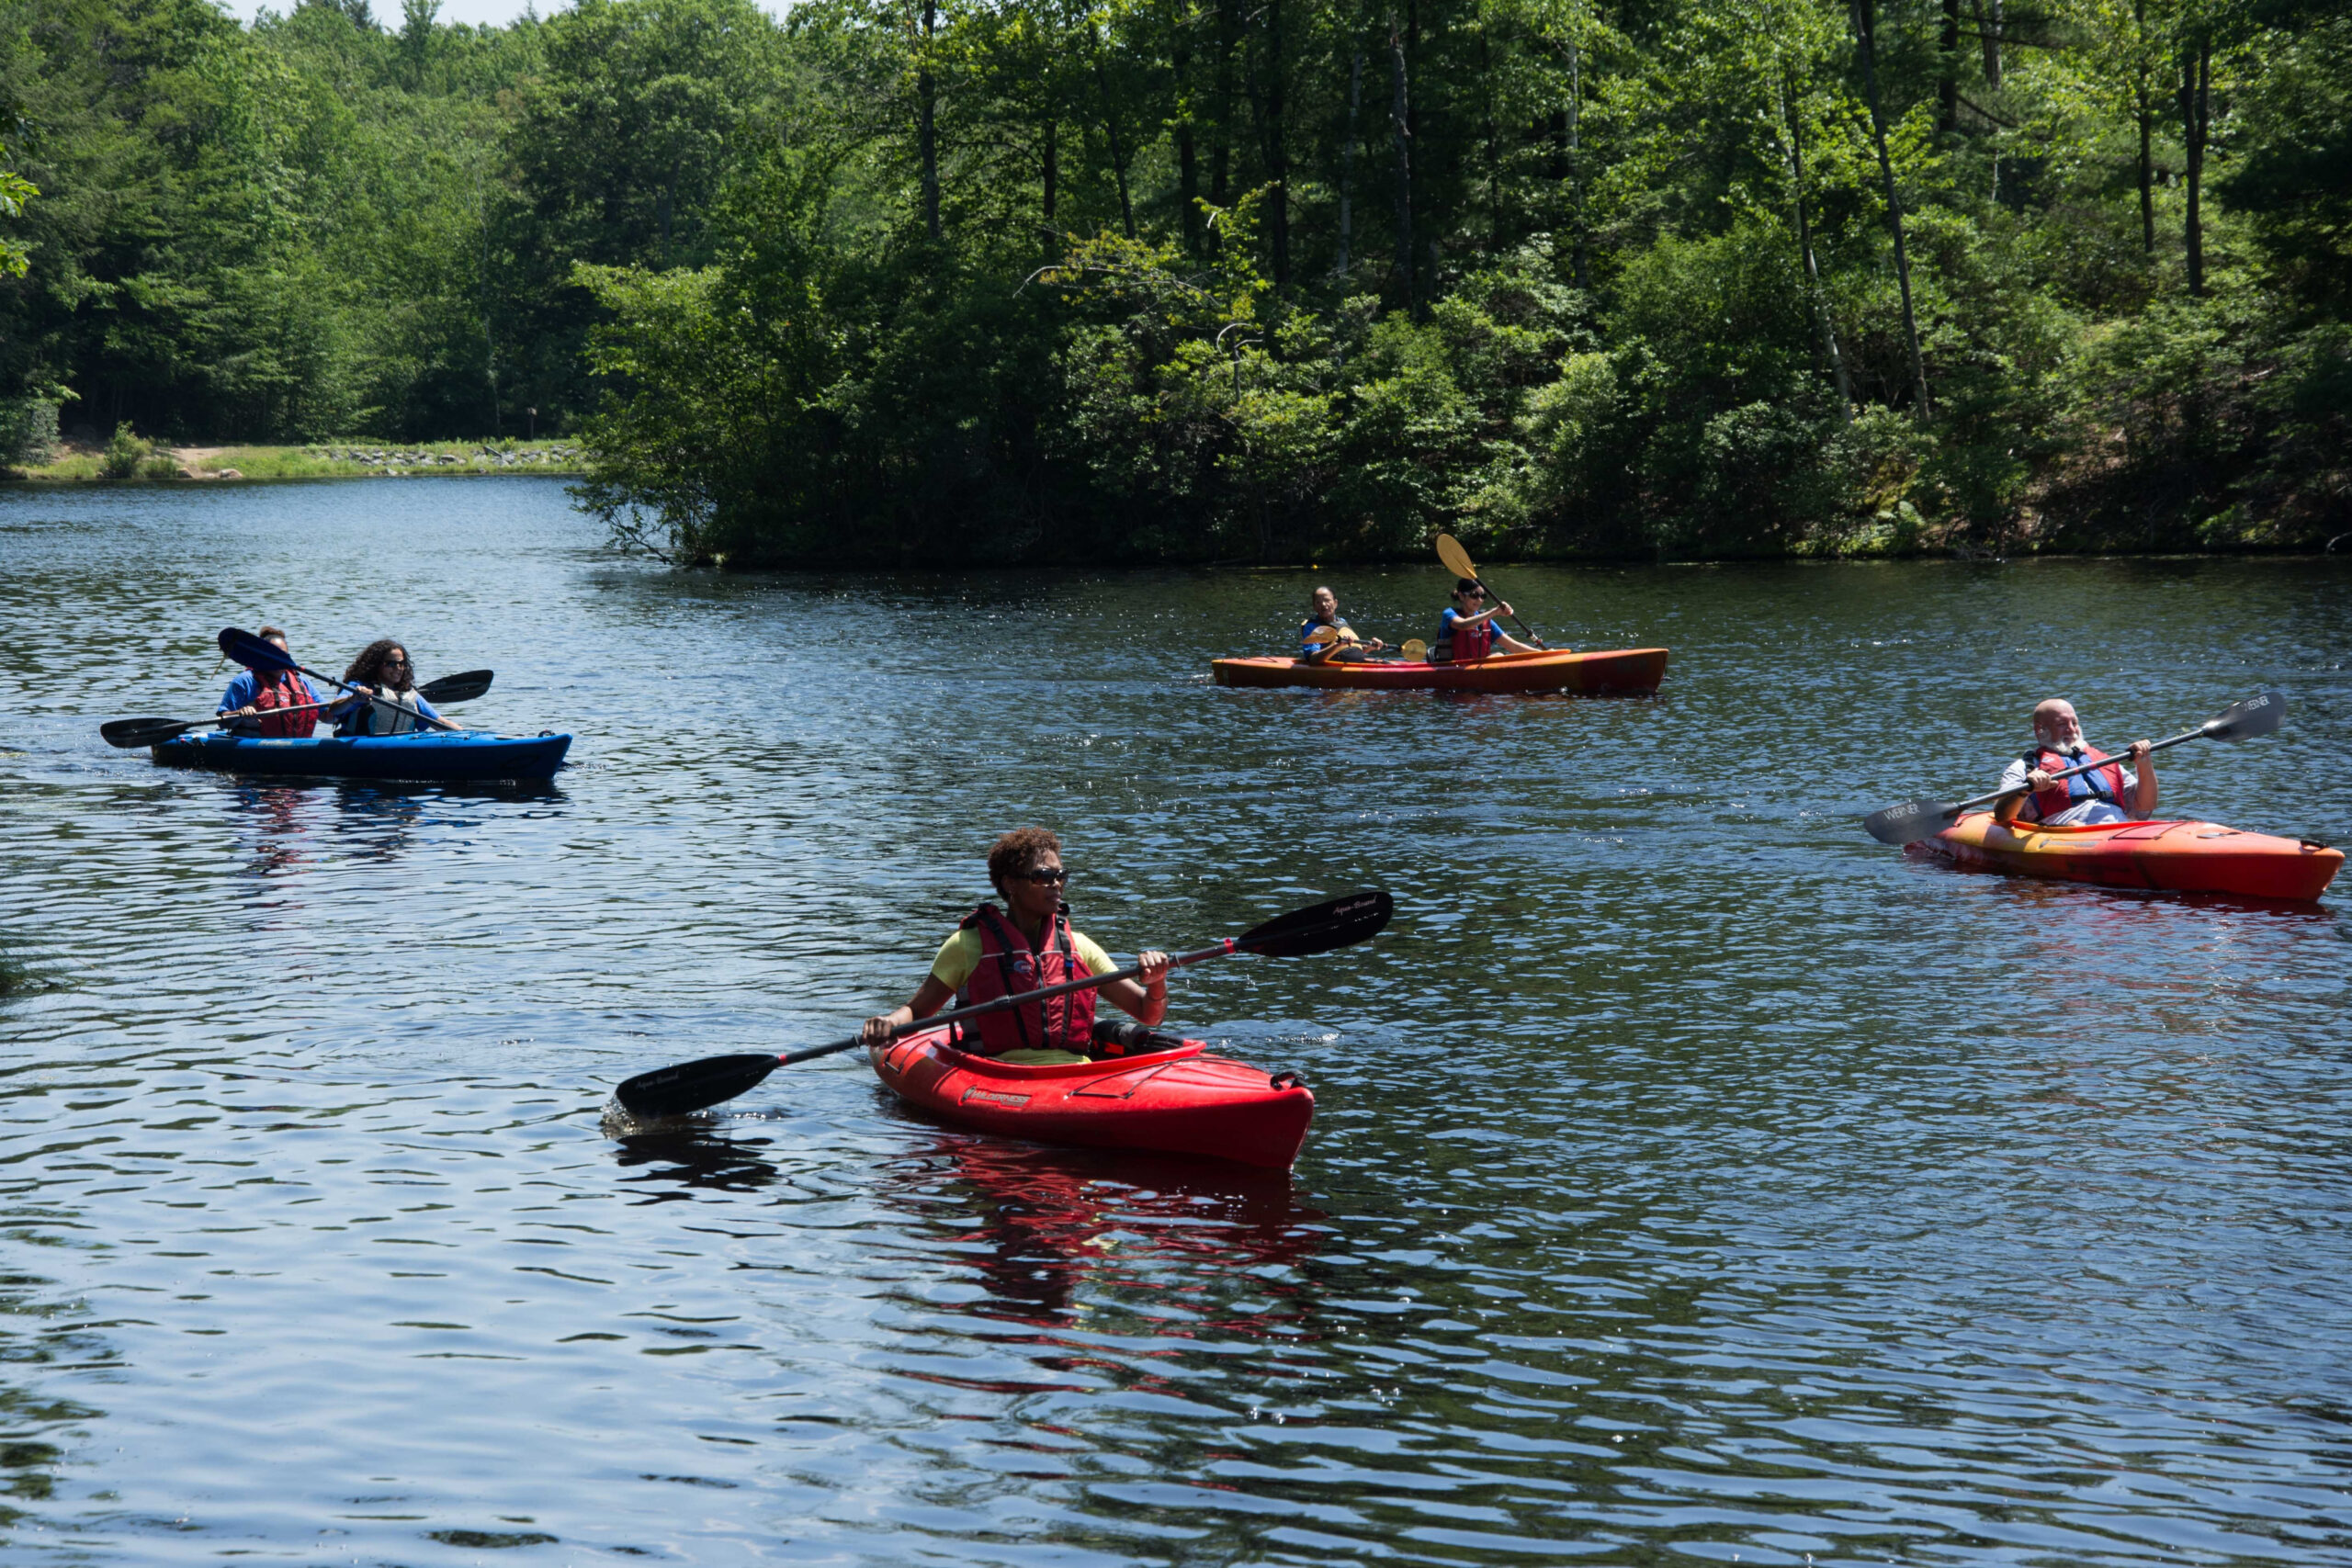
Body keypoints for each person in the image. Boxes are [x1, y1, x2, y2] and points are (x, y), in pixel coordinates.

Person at [860, 828, 1174, 1066]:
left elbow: (1148, 1013)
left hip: (1076, 1076)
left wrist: (1157, 980)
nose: (1056, 884)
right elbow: (917, 1011)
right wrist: (888, 1023)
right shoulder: (969, 945)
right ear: (1010, 884)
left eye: (1061, 875)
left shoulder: (1078, 946)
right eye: (1044, 876)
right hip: (999, 1075)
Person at [1994, 699, 2156, 827]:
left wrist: (2144, 764)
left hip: (2116, 830)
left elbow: (2145, 805)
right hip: (2067, 832)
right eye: (2062, 724)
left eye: (2074, 723)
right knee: (2074, 825)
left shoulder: (2103, 761)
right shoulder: (2024, 768)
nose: (2071, 729)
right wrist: (2025, 790)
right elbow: (2002, 816)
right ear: (2039, 730)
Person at [217, 626, 325, 737]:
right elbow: (222, 722)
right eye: (274, 655)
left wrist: (343, 702)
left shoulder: (302, 682)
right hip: (256, 747)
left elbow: (329, 717)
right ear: (263, 656)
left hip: (299, 746)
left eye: (283, 655)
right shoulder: (245, 680)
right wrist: (239, 713)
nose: (278, 660)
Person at [328, 638, 448, 736]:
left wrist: (465, 735)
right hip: (361, 751)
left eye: (402, 664)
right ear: (376, 665)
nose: (398, 668)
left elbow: (440, 723)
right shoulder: (359, 687)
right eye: (391, 664)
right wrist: (354, 698)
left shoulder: (409, 695)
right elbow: (334, 709)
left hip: (399, 751)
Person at [1433, 579, 1538, 662]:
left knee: (1499, 656)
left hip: (1477, 671)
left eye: (1483, 596)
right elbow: (1463, 625)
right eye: (1474, 595)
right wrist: (1494, 612)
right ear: (1461, 596)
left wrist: (1545, 654)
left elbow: (1514, 646)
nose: (1479, 600)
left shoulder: (1487, 622)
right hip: (1453, 669)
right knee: (1499, 656)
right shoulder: (1449, 614)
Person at [1299, 585, 1387, 665]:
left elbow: (1351, 648)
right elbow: (1313, 659)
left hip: (1355, 665)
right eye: (1318, 602)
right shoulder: (1311, 627)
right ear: (1314, 607)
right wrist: (1337, 646)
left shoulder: (1342, 621)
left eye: (1327, 600)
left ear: (1335, 603)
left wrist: (1369, 647)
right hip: (1335, 670)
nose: (1323, 604)